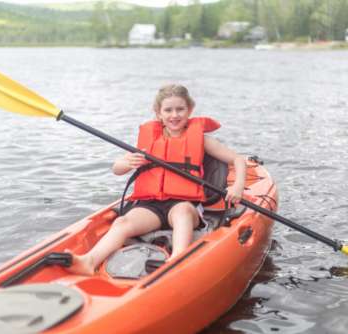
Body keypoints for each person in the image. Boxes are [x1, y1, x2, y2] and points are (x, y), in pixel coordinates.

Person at [66, 84, 246, 276]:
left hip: (184, 204)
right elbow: (117, 170)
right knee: (122, 223)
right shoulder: (150, 140)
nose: (174, 115)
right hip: (150, 207)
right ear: (158, 113)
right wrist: (127, 162)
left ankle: (177, 259)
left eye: (180, 109)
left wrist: (238, 186)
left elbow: (238, 160)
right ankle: (88, 261)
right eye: (168, 110)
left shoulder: (203, 140)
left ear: (189, 110)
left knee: (183, 212)